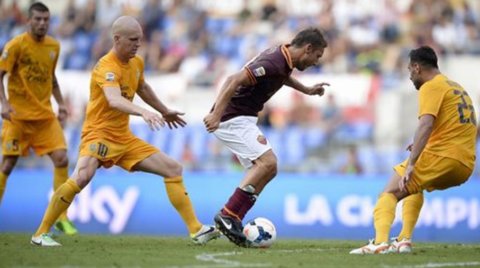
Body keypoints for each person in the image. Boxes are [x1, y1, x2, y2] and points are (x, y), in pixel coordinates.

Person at [30, 16, 220, 246]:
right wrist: (144, 113)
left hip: (123, 138)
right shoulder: (106, 67)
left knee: (173, 169)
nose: (137, 44)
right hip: (98, 134)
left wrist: (164, 110)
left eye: (139, 40)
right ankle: (40, 233)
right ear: (117, 39)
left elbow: (143, 87)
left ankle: (196, 230)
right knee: (81, 177)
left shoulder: (136, 63)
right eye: (132, 40)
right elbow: (113, 99)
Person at [203, 27, 329, 246]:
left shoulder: (283, 58)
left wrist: (306, 90)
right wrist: (215, 114)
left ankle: (233, 218)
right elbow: (233, 80)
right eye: (317, 56)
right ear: (308, 49)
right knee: (267, 163)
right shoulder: (273, 61)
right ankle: (228, 215)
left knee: (269, 169)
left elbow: (282, 77)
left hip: (244, 117)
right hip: (233, 117)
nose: (316, 62)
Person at [350, 46, 477, 254]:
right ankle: (404, 240)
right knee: (412, 187)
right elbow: (459, 126)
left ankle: (380, 242)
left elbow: (426, 124)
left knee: (389, 192)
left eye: (409, 70)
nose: (409, 76)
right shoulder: (456, 87)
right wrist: (425, 145)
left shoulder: (431, 86)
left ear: (417, 67)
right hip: (465, 164)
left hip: (444, 156)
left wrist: (411, 163)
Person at [0, 2, 77, 235]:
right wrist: (4, 104)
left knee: (62, 158)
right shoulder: (15, 46)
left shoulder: (54, 46)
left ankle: (62, 217)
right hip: (18, 117)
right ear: (28, 20)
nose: (42, 23)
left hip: (44, 117)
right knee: (8, 163)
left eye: (46, 19)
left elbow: (51, 77)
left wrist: (61, 104)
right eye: (38, 19)